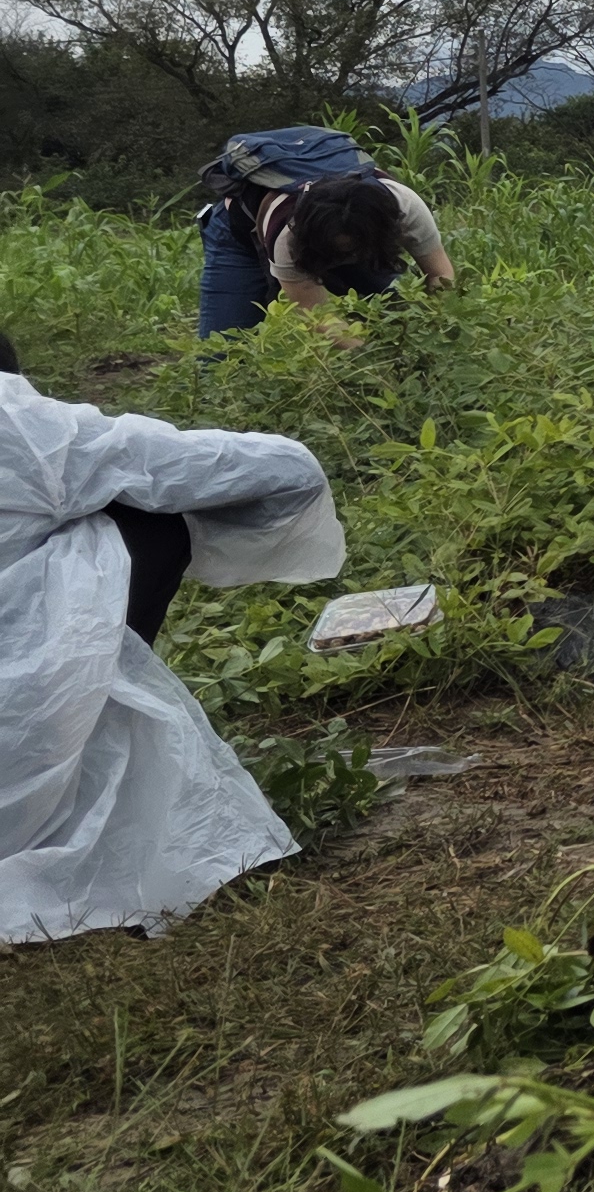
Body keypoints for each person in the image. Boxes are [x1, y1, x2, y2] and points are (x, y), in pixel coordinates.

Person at [0, 328, 351, 942]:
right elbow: (275, 468)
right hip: (20, 711)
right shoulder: (21, 425)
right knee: (139, 521)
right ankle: (78, 751)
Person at [196, 126, 454, 339]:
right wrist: (369, 363)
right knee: (225, 346)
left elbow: (441, 276)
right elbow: (316, 315)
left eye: (351, 248)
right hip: (239, 236)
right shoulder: (287, 236)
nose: (345, 255)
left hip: (361, 232)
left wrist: (436, 329)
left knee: (397, 312)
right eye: (340, 248)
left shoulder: (404, 206)